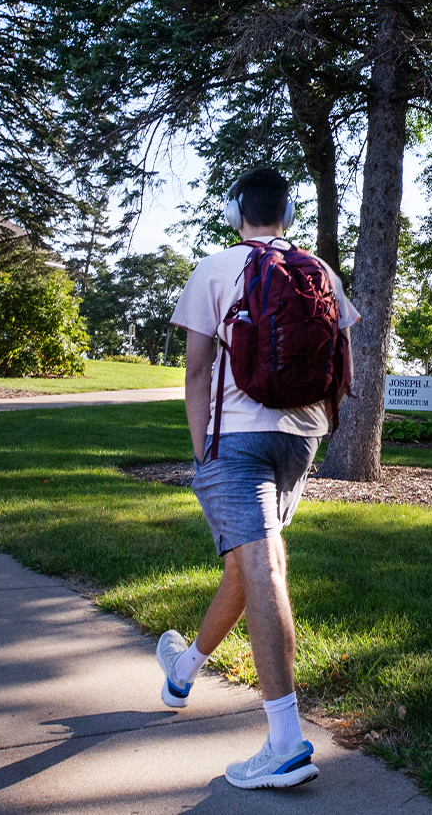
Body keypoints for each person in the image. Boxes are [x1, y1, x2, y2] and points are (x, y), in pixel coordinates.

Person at [154, 167, 358, 790]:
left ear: (234, 210)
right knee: (250, 562)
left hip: (236, 442)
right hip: (299, 439)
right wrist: (313, 432)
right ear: (287, 215)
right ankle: (183, 669)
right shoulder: (319, 270)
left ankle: (285, 741)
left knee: (263, 565)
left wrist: (202, 454)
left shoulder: (215, 268)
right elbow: (342, 358)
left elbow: (195, 371)